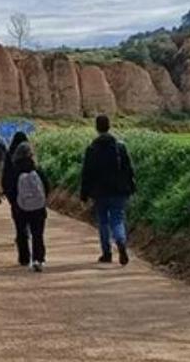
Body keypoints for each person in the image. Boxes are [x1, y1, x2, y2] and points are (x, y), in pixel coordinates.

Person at [79, 113, 136, 266]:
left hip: (100, 192)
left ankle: (107, 253)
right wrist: (131, 187)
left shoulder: (92, 148)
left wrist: (84, 194)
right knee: (117, 219)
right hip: (119, 190)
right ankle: (121, 241)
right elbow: (129, 169)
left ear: (96, 128)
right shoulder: (120, 147)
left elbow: (86, 173)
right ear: (109, 126)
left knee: (103, 222)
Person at [5, 140, 49, 271]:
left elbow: (10, 188)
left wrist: (14, 202)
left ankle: (24, 257)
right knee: (38, 234)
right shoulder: (37, 169)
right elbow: (46, 186)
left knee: (21, 232)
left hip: (20, 207)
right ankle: (38, 258)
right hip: (38, 207)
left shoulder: (14, 170)